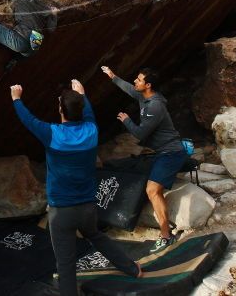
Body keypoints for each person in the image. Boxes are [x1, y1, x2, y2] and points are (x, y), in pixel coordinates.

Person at [10, 80, 143, 296]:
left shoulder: (52, 133)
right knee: (97, 236)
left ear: (60, 109)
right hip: (87, 207)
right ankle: (132, 269)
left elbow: (29, 120)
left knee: (65, 263)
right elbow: (89, 113)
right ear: (80, 109)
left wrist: (16, 98)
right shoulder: (92, 131)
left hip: (61, 212)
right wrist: (83, 94)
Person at [101, 65, 187, 253]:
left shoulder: (155, 106)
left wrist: (126, 120)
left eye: (139, 80)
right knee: (140, 178)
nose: (135, 82)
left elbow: (140, 133)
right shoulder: (144, 95)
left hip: (170, 153)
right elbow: (129, 89)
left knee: (152, 190)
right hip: (161, 152)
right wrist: (112, 76)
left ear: (147, 85)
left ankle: (166, 236)